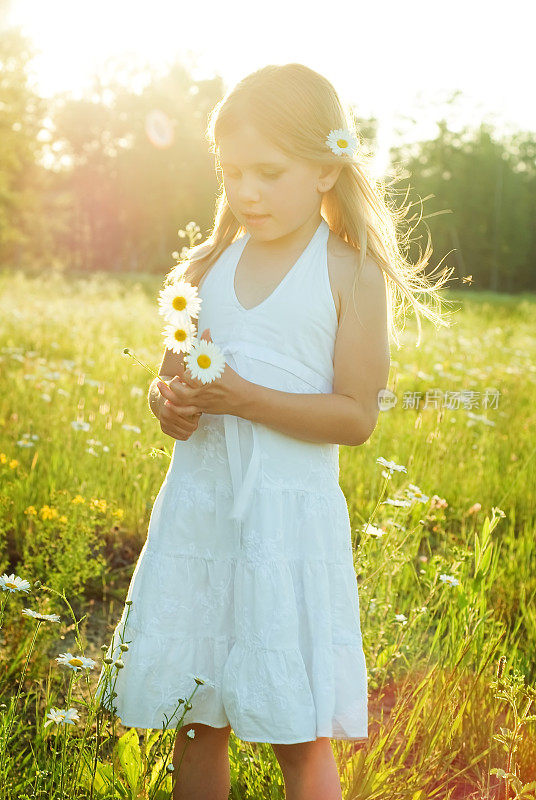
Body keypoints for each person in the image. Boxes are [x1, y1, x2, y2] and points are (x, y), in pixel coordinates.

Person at [96, 63, 453, 800]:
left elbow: (355, 416)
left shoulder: (349, 273)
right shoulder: (204, 267)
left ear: (327, 167)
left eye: (269, 171)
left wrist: (247, 398)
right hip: (202, 514)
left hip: (285, 531)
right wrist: (168, 404)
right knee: (198, 715)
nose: (246, 192)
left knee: (299, 732)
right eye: (231, 173)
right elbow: (173, 380)